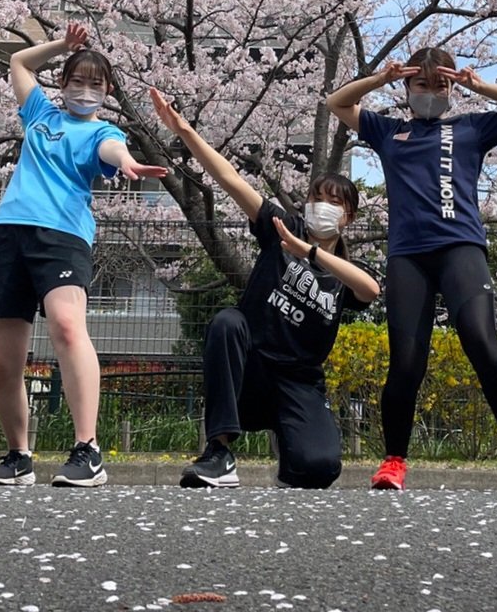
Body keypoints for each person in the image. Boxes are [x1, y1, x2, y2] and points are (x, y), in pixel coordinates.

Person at [326, 46, 497, 493]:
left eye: (440, 85)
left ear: (452, 88)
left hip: (461, 248)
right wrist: (380, 78)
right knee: (406, 361)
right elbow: (337, 103)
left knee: (483, 344)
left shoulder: (471, 127)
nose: (432, 93)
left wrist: (477, 86)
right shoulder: (389, 131)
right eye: (422, 84)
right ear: (408, 88)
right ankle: (393, 462)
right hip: (408, 255)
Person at [150, 87, 379, 489]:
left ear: (348, 217)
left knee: (319, 469)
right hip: (250, 368)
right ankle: (219, 452)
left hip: (299, 381)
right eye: (317, 197)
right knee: (226, 322)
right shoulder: (280, 227)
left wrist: (310, 253)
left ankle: (293, 455)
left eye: (334, 202)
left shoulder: (343, 272)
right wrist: (185, 129)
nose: (322, 205)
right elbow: (229, 178)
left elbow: (371, 291)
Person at [0, 22, 168, 488]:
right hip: (8, 233)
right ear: (62, 84)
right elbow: (19, 63)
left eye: (96, 84)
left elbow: (112, 148)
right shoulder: (40, 113)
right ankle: (18, 456)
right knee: (4, 359)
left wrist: (125, 162)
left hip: (63, 236)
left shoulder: (103, 130)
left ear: (106, 93)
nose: (86, 90)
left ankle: (88, 449)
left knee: (67, 325)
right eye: (77, 80)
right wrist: (63, 46)